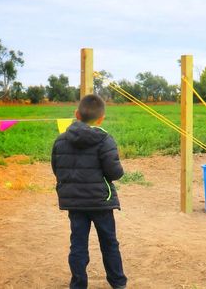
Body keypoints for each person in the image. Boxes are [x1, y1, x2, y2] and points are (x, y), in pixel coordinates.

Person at [51, 94, 127, 289]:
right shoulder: (105, 140)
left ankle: (78, 285)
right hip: (101, 202)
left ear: (76, 115)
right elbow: (115, 173)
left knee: (77, 245)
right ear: (101, 118)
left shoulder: (60, 141)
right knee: (109, 243)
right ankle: (118, 283)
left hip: (75, 204)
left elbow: (56, 169)